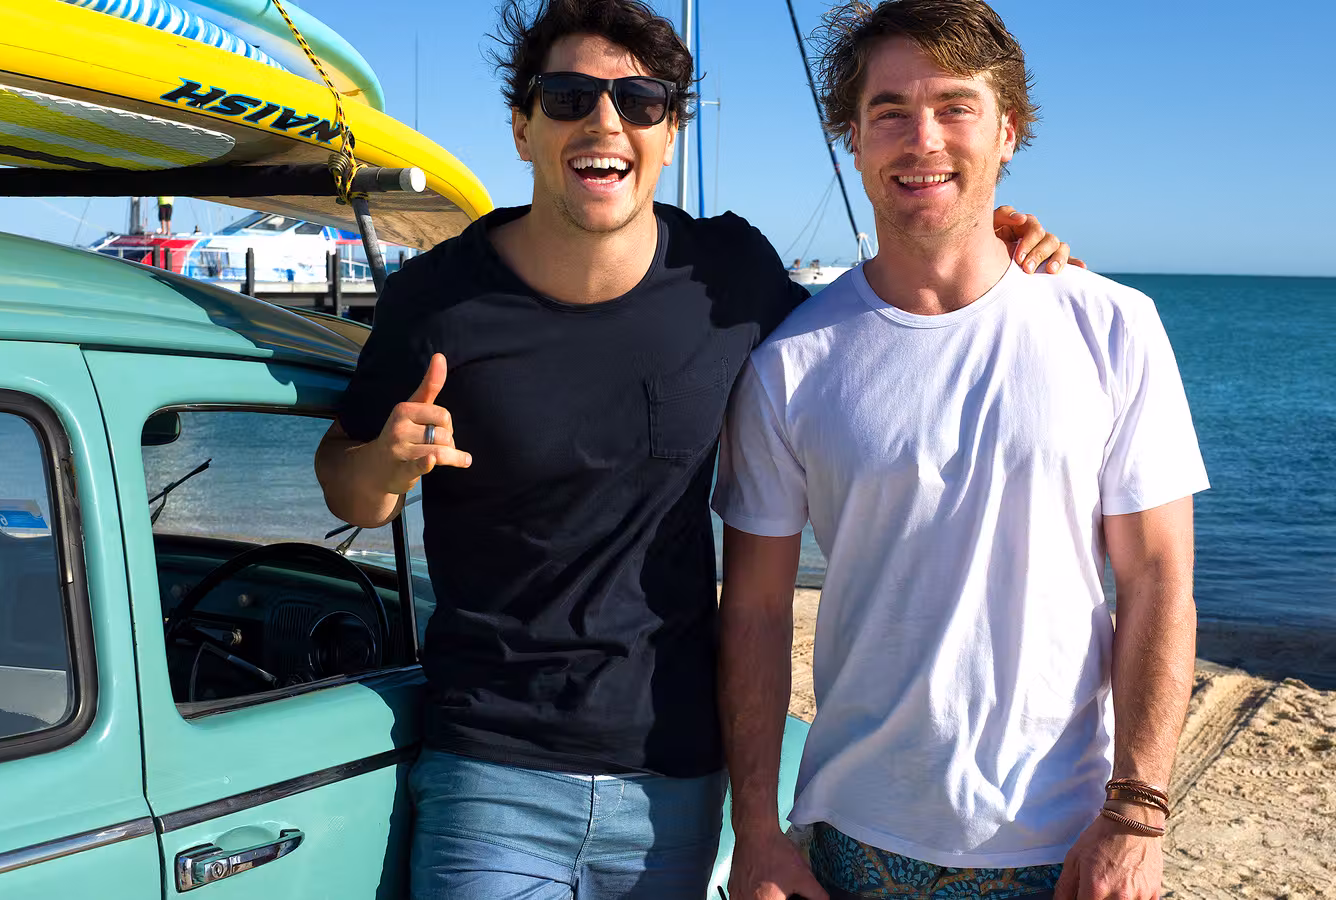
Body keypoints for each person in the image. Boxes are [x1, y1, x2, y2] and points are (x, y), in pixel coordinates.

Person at [312, 1, 1076, 896]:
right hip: (492, 771)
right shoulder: (439, 300)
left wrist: (992, 244)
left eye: (641, 101)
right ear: (522, 127)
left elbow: (877, 334)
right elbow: (347, 487)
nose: (606, 122)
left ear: (670, 134)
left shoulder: (728, 278)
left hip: (674, 780)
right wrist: (386, 465)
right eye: (568, 97)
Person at [712, 2, 1207, 899]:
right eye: (890, 111)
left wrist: (1139, 813)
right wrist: (755, 832)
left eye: (955, 107)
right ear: (852, 139)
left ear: (1008, 129)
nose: (923, 139)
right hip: (854, 843)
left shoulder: (1112, 326)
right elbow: (754, 609)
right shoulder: (790, 364)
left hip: (1071, 841)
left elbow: (1158, 579)